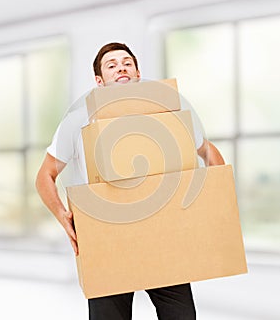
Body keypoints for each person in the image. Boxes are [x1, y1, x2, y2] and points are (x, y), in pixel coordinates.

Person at [36, 42, 225, 320]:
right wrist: (63, 218)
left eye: (127, 63)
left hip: (163, 234)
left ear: (137, 73)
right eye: (111, 65)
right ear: (99, 82)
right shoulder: (78, 121)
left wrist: (213, 203)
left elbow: (208, 153)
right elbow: (45, 176)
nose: (121, 67)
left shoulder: (164, 114)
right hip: (106, 237)